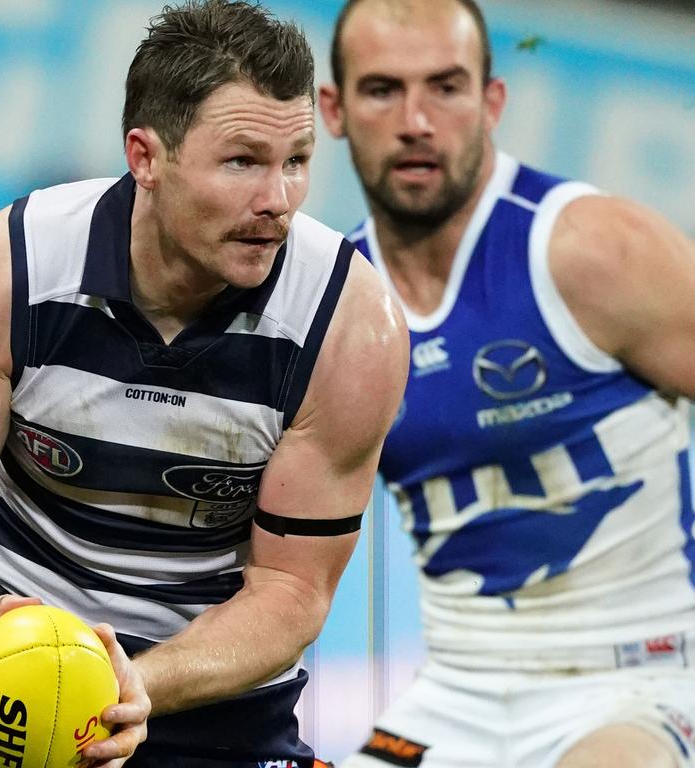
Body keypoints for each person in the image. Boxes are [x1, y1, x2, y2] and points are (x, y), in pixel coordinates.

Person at [0, 2, 408, 767]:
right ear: (146, 157)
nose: (278, 199)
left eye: (297, 160)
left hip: (206, 685)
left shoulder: (348, 327)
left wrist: (132, 684)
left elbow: (290, 594)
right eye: (243, 161)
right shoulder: (9, 271)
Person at [319, 1, 695, 766]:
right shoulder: (329, 309)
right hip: (455, 694)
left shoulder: (593, 251)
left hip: (643, 680)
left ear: (492, 103)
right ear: (333, 109)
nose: (416, 120)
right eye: (383, 89)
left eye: (446, 88)